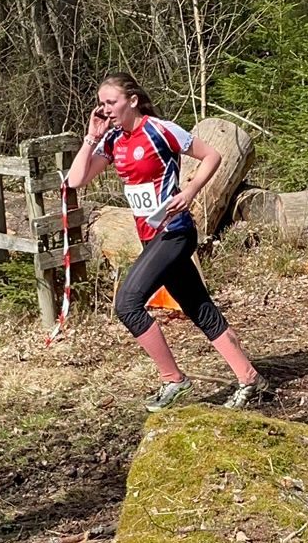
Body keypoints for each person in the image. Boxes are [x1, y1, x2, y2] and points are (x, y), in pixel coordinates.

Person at [67, 72, 268, 412]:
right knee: (198, 306)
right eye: (101, 103)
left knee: (127, 303)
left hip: (175, 231)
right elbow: (75, 180)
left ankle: (173, 380)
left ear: (132, 100)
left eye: (111, 102)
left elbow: (212, 156)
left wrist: (190, 191)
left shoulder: (160, 130)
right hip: (151, 238)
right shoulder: (113, 140)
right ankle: (250, 379)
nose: (105, 109)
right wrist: (91, 137)